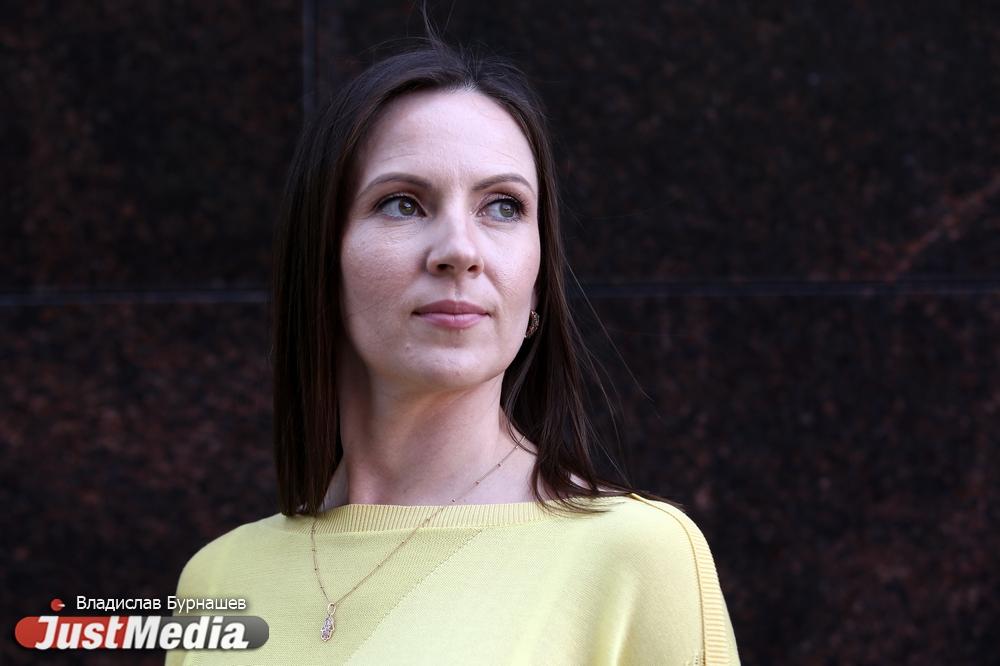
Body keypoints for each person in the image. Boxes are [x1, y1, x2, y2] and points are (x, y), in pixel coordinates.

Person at [165, 30, 740, 666]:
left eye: (503, 207)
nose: (460, 250)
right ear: (323, 258)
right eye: (403, 204)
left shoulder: (637, 557)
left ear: (537, 280)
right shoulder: (218, 580)